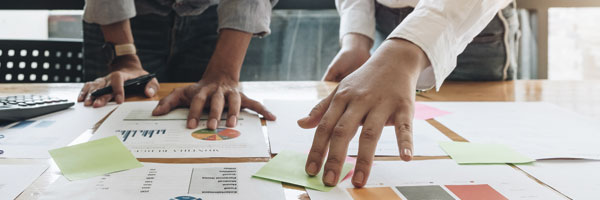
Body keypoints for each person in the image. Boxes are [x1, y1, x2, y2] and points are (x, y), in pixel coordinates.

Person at [298, 0, 517, 187]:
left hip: (469, 18)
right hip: (385, 23)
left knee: (481, 158)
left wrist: (406, 49)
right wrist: (356, 37)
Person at [77, 0, 277, 129]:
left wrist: (224, 73)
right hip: (120, 14)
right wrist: (124, 57)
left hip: (218, 14)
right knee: (107, 121)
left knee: (210, 116)